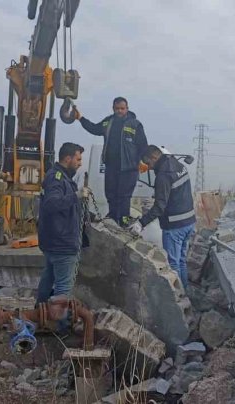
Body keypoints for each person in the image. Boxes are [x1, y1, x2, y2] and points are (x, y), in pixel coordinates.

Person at [73, 97, 148, 226]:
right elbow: (94, 128)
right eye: (117, 108)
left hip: (129, 168)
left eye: (122, 108)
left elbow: (143, 145)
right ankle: (112, 216)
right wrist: (80, 118)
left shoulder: (135, 124)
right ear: (113, 109)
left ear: (127, 109)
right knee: (111, 193)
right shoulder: (108, 122)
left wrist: (143, 161)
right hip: (111, 166)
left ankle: (124, 220)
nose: (119, 111)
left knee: (124, 196)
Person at [129, 145, 196, 288]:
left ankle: (179, 299)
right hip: (189, 222)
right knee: (181, 261)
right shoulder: (177, 164)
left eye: (148, 163)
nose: (150, 167)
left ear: (154, 157)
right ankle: (186, 292)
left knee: (173, 264)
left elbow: (159, 206)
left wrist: (141, 223)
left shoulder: (163, 175)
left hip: (174, 226)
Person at [36, 142, 88, 303]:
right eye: (78, 159)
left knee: (48, 281)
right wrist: (76, 196)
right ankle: (61, 326)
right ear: (68, 158)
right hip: (62, 244)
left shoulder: (61, 178)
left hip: (55, 242)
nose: (80, 164)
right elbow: (52, 204)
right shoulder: (56, 178)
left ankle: (40, 315)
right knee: (63, 290)